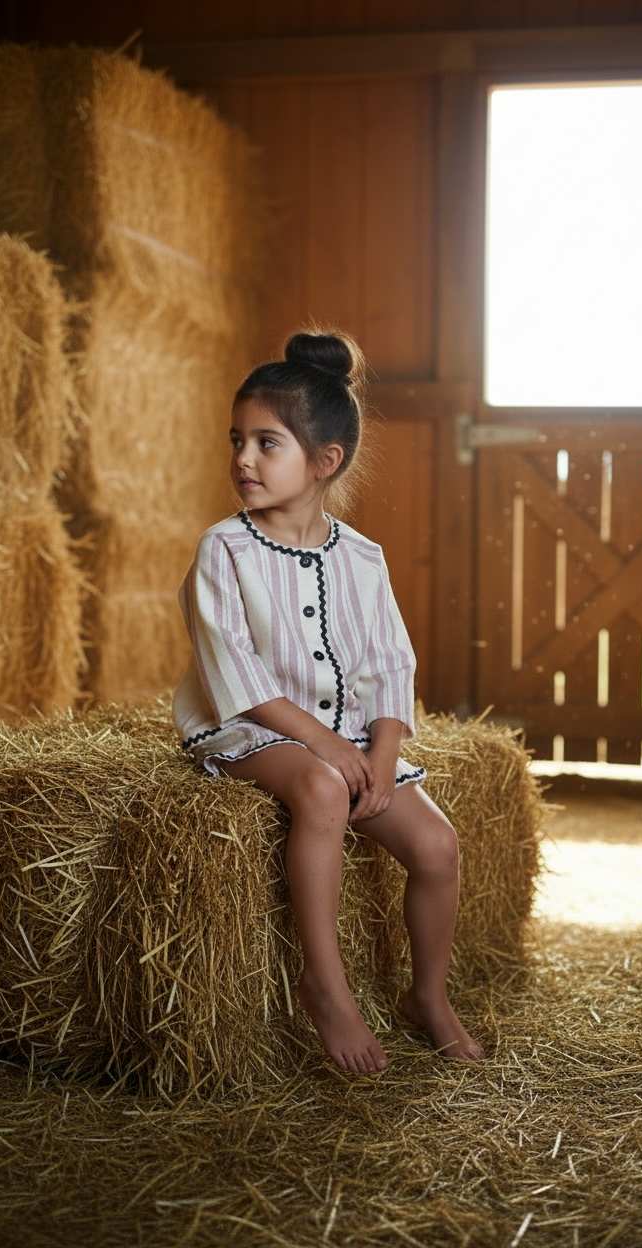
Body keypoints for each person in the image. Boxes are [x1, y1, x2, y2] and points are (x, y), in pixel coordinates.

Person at [173, 328, 484, 1074]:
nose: (243, 459)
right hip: (250, 728)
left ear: (325, 461)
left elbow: (389, 664)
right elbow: (234, 673)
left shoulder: (363, 559)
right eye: (237, 440)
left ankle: (427, 997)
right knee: (319, 787)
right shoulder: (225, 550)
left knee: (438, 846)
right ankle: (326, 986)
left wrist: (382, 754)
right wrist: (328, 747)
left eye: (267, 443)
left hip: (347, 734)